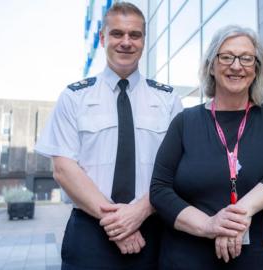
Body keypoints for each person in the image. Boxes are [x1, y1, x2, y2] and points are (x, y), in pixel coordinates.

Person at [35, 2, 182, 269]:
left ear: (143, 41)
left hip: (154, 229)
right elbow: (64, 168)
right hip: (91, 233)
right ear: (103, 38)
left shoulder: (168, 100)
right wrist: (118, 223)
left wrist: (138, 213)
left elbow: (176, 168)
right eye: (117, 34)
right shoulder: (74, 97)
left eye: (134, 35)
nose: (126, 42)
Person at [149, 25, 263, 270]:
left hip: (258, 259)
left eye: (246, 58)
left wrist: (240, 212)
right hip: (187, 258)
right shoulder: (184, 122)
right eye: (226, 56)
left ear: (256, 68)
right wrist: (209, 225)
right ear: (211, 65)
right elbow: (159, 189)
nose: (236, 65)